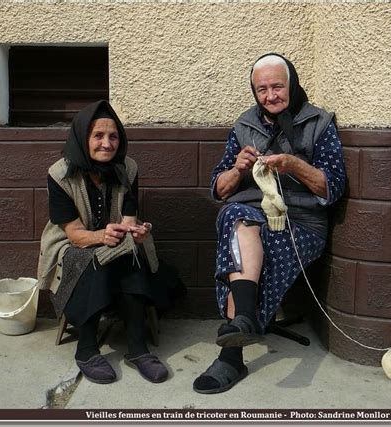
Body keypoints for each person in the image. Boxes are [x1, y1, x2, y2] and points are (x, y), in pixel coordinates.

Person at [193, 53, 346, 394]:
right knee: (234, 217)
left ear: (292, 84)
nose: (270, 95)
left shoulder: (319, 123)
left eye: (277, 86)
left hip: (301, 222)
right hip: (250, 214)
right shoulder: (245, 125)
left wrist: (294, 165)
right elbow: (219, 189)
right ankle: (243, 320)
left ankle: (231, 354)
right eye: (262, 89)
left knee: (261, 250)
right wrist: (238, 169)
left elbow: (333, 187)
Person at [37, 100, 168, 385]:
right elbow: (73, 233)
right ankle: (86, 349)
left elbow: (129, 219)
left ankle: (137, 348)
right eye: (98, 136)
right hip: (72, 246)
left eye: (113, 136)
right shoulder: (59, 174)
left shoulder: (128, 168)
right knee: (95, 259)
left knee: (129, 252)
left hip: (116, 242)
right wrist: (101, 237)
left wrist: (137, 232)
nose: (107, 144)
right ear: (83, 138)